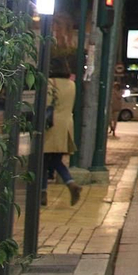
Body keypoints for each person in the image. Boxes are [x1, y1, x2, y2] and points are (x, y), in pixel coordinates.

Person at [44, 61, 82, 206]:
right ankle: (70, 183)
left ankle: (42, 192)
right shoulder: (72, 84)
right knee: (55, 160)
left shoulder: (50, 82)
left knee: (43, 160)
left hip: (51, 126)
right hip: (66, 126)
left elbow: (46, 104)